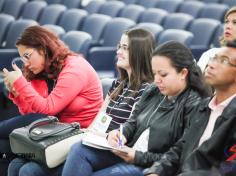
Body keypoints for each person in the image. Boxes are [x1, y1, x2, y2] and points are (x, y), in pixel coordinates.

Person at [8, 28, 155, 176]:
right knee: (20, 165)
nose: (118, 52)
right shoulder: (118, 85)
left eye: (124, 48)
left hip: (116, 149)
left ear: (138, 52)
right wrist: (88, 135)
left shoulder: (146, 91)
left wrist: (101, 138)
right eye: (119, 46)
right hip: (98, 142)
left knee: (78, 150)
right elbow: (98, 122)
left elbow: (132, 137)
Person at [59, 41, 211, 176]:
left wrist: (137, 157)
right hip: (129, 151)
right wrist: (121, 133)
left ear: (183, 73)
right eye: (154, 74)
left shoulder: (195, 104)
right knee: (79, 150)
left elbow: (179, 154)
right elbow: (133, 122)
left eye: (163, 74)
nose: (157, 80)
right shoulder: (153, 90)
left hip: (153, 164)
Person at [0, 25, 103, 168]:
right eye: (23, 59)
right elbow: (29, 115)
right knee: (4, 147)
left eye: (27, 56)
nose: (26, 64)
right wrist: (18, 95)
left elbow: (47, 110)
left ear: (43, 49)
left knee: (27, 168)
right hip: (54, 130)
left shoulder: (75, 68)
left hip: (77, 134)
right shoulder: (45, 71)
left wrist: (21, 83)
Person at [143, 40, 236, 176]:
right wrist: (157, 171)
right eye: (214, 58)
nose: (211, 65)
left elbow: (228, 169)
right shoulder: (204, 106)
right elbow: (180, 148)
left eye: (224, 61)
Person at [197, 6, 236, 72]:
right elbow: (195, 80)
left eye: (235, 23)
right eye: (226, 22)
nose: (228, 26)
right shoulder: (211, 53)